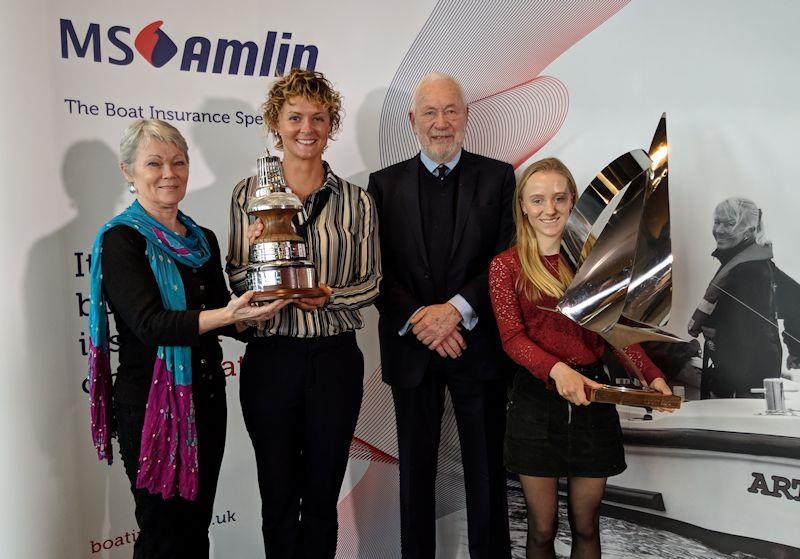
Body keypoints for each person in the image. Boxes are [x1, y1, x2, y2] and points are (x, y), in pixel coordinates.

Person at [87, 119, 287, 559]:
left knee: (196, 531)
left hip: (207, 401)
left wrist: (256, 307)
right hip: (152, 409)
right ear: (128, 171)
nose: (169, 173)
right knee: (163, 537)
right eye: (154, 163)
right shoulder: (122, 240)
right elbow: (151, 324)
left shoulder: (203, 240)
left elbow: (224, 319)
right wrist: (226, 313)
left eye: (178, 162)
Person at [226, 69, 380, 559]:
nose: (306, 128)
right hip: (271, 360)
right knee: (276, 497)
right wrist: (259, 277)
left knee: (320, 497)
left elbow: (373, 282)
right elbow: (233, 277)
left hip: (334, 360)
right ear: (276, 121)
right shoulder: (247, 195)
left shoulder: (357, 201)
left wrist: (328, 296)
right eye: (294, 117)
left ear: (331, 123)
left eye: (318, 117)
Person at [488, 157, 672, 559]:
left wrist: (651, 376)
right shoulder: (506, 266)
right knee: (542, 529)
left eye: (558, 198)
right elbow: (512, 339)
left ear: (573, 202)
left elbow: (616, 332)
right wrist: (558, 372)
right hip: (535, 405)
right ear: (522, 206)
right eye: (537, 200)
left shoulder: (597, 263)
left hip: (594, 401)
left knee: (587, 526)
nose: (548, 209)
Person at [367, 72, 514, 559]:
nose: (441, 122)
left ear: (466, 117)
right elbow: (377, 271)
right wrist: (423, 322)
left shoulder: (498, 177)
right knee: (415, 475)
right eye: (430, 112)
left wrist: (454, 312)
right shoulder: (382, 186)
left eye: (451, 110)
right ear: (412, 120)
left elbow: (505, 258)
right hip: (413, 350)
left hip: (478, 346)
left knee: (487, 473)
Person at [688, 197, 800, 397]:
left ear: (749, 231)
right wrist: (796, 348)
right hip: (759, 369)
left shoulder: (749, 270)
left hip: (745, 378)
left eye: (730, 224)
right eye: (717, 222)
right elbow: (796, 297)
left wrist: (724, 386)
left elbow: (743, 337)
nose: (720, 230)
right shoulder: (754, 263)